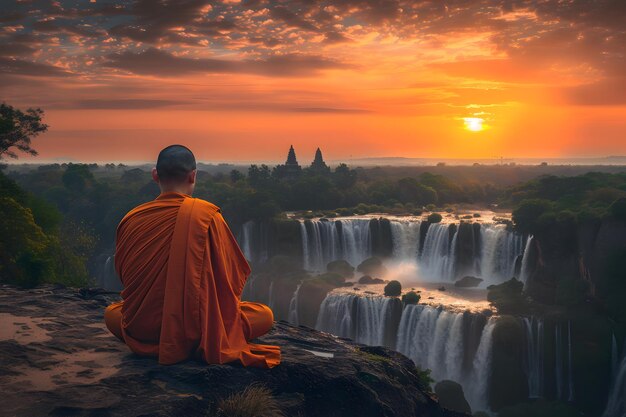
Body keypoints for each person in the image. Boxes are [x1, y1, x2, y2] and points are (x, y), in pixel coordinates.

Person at [104, 145, 280, 368]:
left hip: (145, 329)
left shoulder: (131, 218)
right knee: (264, 315)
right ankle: (199, 336)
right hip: (200, 329)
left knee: (112, 313)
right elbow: (230, 278)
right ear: (193, 175)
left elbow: (123, 274)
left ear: (155, 175)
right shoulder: (207, 217)